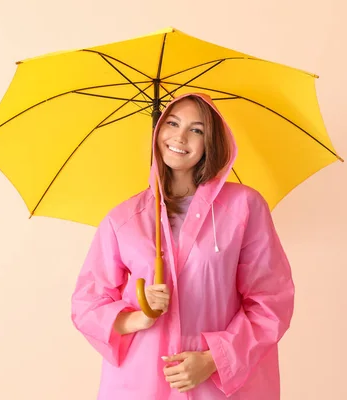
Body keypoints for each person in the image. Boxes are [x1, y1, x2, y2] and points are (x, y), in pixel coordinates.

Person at [71, 92, 295, 399]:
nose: (180, 136)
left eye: (196, 129)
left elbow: (271, 301)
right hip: (142, 382)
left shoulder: (243, 207)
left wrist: (214, 358)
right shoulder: (123, 219)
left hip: (215, 385)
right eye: (172, 123)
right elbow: (87, 304)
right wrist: (140, 314)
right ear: (158, 131)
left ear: (210, 142)